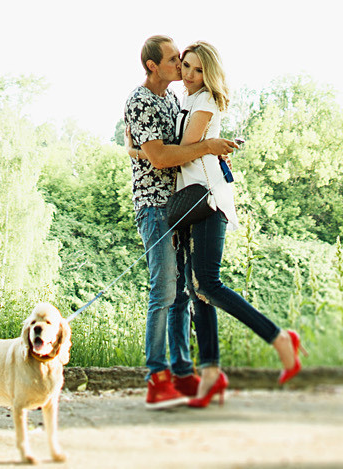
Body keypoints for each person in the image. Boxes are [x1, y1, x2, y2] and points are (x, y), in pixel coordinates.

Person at [170, 41, 301, 406]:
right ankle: (210, 372)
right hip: (191, 202)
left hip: (208, 200)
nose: (191, 74)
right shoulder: (186, 101)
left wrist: (189, 145)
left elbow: (185, 146)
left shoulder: (206, 100)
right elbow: (188, 149)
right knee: (196, 288)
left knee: (208, 284)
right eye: (187, 66)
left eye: (198, 69)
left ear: (208, 73)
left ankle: (279, 339)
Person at [124, 34, 238, 409]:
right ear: (152, 66)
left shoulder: (173, 99)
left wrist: (213, 155)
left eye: (183, 60)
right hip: (154, 207)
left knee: (182, 292)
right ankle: (157, 376)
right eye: (174, 59)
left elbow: (182, 146)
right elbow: (160, 157)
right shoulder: (140, 100)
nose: (180, 65)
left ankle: (182, 373)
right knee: (164, 291)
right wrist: (206, 147)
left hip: (179, 204)